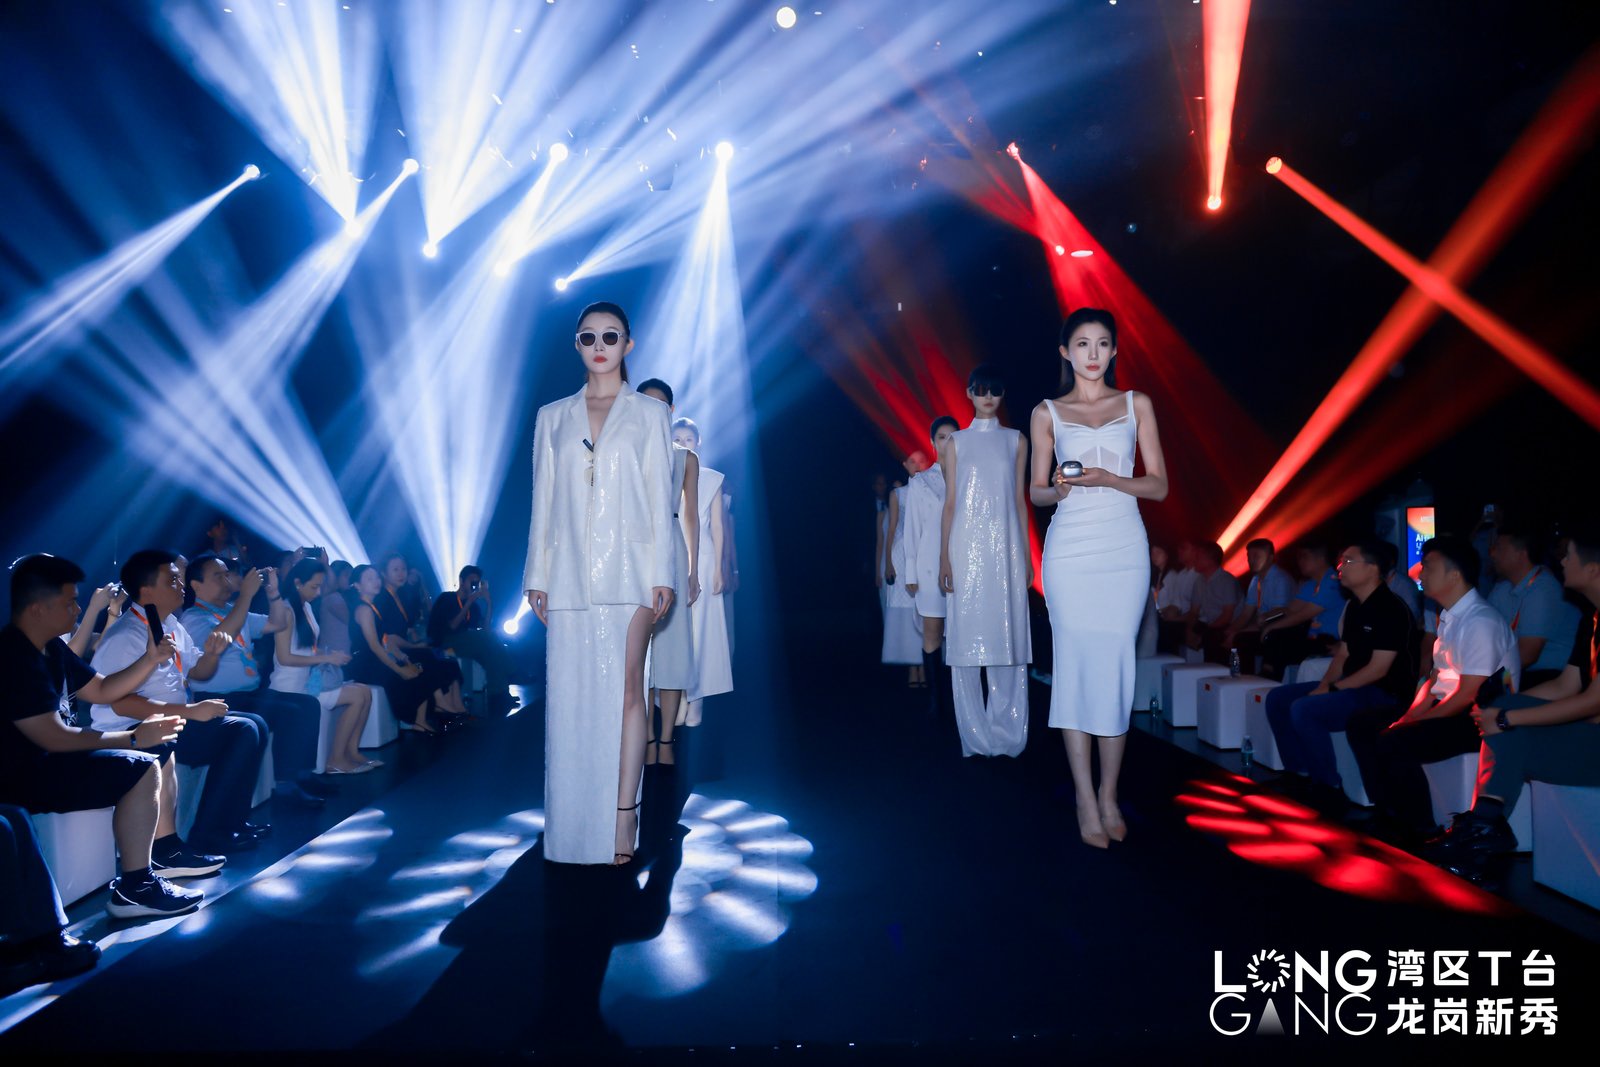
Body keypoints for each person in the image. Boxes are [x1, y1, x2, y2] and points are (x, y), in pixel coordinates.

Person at [524, 301, 675, 866]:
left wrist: (663, 571)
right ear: (577, 345)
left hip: (633, 570)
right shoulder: (552, 417)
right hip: (568, 573)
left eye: (611, 336)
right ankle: (570, 822)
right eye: (588, 337)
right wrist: (537, 574)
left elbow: (660, 498)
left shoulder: (650, 415)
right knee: (570, 699)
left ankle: (623, 815)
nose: (600, 346)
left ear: (628, 344)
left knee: (628, 689)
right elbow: (542, 499)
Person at [0, 554, 202, 921]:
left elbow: (102, 689)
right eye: (69, 602)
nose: (78, 610)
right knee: (139, 764)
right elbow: (53, 738)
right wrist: (131, 738)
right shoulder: (13, 656)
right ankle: (137, 885)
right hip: (21, 775)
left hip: (50, 762)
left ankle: (138, 883)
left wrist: (150, 658)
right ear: (37, 609)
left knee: (144, 764)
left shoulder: (51, 648)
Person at [1030, 308, 1167, 846]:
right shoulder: (1047, 412)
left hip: (1124, 547)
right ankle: (1085, 799)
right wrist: (1058, 489)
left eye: (1103, 343)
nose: (1093, 354)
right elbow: (1037, 491)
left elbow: (1158, 485)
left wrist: (1112, 479)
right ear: (1065, 352)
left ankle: (1109, 793)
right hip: (1069, 549)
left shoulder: (1137, 404)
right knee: (1073, 667)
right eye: (1083, 344)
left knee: (1115, 667)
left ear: (1114, 350)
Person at [1428, 531, 1600, 875]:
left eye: (1569, 555)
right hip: (1586, 735)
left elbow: (1593, 701)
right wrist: (1502, 710)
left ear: (1594, 569)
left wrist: (1508, 719)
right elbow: (1566, 685)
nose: (1562, 561)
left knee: (1510, 729)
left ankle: (1484, 824)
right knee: (1506, 712)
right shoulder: (1591, 620)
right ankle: (1485, 825)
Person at [91, 549, 266, 859]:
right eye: (172, 580)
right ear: (146, 591)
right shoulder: (126, 634)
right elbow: (121, 705)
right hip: (135, 728)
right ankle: (209, 833)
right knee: (242, 731)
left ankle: (230, 823)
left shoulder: (170, 623)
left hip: (174, 719)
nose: (181, 585)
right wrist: (190, 712)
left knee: (255, 724)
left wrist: (212, 654)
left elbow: (199, 672)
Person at [1345, 535, 1519, 842]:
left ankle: (1421, 826)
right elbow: (1434, 681)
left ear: (1454, 575)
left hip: (1480, 717)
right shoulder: (1450, 617)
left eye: (1427, 567)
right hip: (1449, 705)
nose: (1420, 573)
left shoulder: (1481, 621)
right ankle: (1387, 811)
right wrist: (1410, 715)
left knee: (1395, 740)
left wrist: (1415, 722)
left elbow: (1467, 694)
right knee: (1362, 724)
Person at [1263, 541, 1417, 809]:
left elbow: (1378, 669)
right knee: (1277, 698)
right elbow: (1344, 654)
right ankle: (1298, 772)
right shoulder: (1356, 605)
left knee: (1304, 709)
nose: (1339, 567)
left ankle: (1328, 785)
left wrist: (1334, 689)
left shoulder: (1391, 608)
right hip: (1355, 686)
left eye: (1347, 561)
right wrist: (1326, 683)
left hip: (1384, 693)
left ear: (1372, 568)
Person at [182, 553, 329, 807]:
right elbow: (221, 635)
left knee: (308, 704)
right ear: (196, 585)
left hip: (248, 693)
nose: (226, 580)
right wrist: (246, 596)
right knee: (290, 712)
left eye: (227, 574)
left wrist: (273, 592)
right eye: (218, 576)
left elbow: (277, 623)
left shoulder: (232, 611)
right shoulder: (193, 618)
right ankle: (286, 787)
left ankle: (303, 775)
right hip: (216, 699)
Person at [939, 363, 1032, 759]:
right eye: (981, 390)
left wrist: (1025, 555)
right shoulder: (956, 442)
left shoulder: (1016, 440)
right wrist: (944, 558)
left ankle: (1008, 735)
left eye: (994, 390)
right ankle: (975, 737)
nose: (988, 397)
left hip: (1005, 549)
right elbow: (950, 503)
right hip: (966, 546)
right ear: (969, 393)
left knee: (1008, 638)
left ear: (1002, 394)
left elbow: (1019, 501)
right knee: (966, 643)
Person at [634, 379, 699, 766]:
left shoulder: (684, 458)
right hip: (635, 550)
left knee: (673, 648)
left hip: (671, 547)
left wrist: (693, 571)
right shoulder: (625, 450)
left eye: (660, 404)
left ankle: (666, 739)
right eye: (645, 402)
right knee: (638, 651)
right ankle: (643, 737)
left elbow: (690, 515)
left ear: (671, 410)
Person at [270, 559, 376, 775]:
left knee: (364, 691)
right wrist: (326, 658)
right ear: (298, 583)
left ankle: (350, 753)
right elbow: (284, 657)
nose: (318, 592)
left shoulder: (305, 607)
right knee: (358, 696)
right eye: (314, 587)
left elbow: (304, 649)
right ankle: (336, 759)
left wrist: (329, 655)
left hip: (309, 681)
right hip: (292, 687)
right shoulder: (287, 611)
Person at [672, 416, 733, 727]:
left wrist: (719, 568)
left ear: (698, 442)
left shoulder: (711, 479)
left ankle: (696, 703)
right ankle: (676, 701)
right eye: (678, 439)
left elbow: (718, 527)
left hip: (705, 560)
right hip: (671, 558)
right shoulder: (663, 474)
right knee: (673, 635)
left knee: (702, 634)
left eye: (689, 439)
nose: (684, 444)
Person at [348, 565, 459, 734]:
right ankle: (430, 710)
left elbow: (386, 640)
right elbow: (377, 645)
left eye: (376, 577)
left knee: (444, 655)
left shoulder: (383, 603)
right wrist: (401, 665)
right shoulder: (369, 607)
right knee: (424, 661)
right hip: (368, 662)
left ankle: (446, 705)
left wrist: (403, 653)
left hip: (388, 653)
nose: (376, 581)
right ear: (357, 585)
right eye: (370, 579)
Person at [903, 416, 958, 717]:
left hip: (963, 564)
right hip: (929, 566)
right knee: (933, 631)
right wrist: (911, 572)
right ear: (932, 442)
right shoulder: (921, 482)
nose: (947, 442)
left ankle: (961, 699)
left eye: (953, 436)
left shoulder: (969, 479)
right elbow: (912, 529)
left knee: (961, 634)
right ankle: (938, 700)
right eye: (941, 437)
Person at [1486, 529, 1581, 689]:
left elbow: (1527, 655)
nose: (1492, 554)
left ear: (1521, 554)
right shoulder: (1502, 588)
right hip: (1519, 671)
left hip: (1552, 676)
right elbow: (1485, 633)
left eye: (1499, 548)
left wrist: (1482, 676)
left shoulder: (1544, 589)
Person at [428, 565, 520, 716]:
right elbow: (452, 626)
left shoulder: (474, 607)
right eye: (472, 581)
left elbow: (486, 629)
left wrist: (489, 603)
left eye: (477, 582)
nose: (474, 585)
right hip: (445, 641)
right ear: (461, 581)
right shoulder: (448, 598)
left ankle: (500, 694)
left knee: (490, 649)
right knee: (485, 640)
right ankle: (513, 672)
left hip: (465, 642)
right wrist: (468, 603)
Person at [1260, 543, 1345, 678]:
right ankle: (1265, 675)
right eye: (1299, 558)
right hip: (1313, 635)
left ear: (1320, 559)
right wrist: (1267, 617)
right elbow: (1291, 610)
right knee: (1274, 635)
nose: (1300, 562)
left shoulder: (1332, 581)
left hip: (1330, 639)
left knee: (1278, 637)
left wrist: (1271, 627)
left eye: (1305, 557)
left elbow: (1303, 615)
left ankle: (1269, 678)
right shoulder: (1311, 584)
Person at [882, 459, 926, 683]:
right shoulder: (898, 494)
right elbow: (891, 529)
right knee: (905, 608)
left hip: (923, 552)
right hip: (901, 554)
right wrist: (888, 562)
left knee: (923, 608)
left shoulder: (930, 491)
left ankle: (924, 665)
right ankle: (911, 667)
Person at [1220, 538, 1295, 668]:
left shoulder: (1281, 579)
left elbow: (1279, 615)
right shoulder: (1256, 580)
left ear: (1271, 558)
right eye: (1249, 556)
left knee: (1241, 639)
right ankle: (1226, 673)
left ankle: (1245, 676)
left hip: (1281, 629)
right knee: (1223, 636)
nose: (1251, 560)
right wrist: (1231, 630)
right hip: (1263, 625)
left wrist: (1238, 632)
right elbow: (1246, 613)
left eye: (1257, 556)